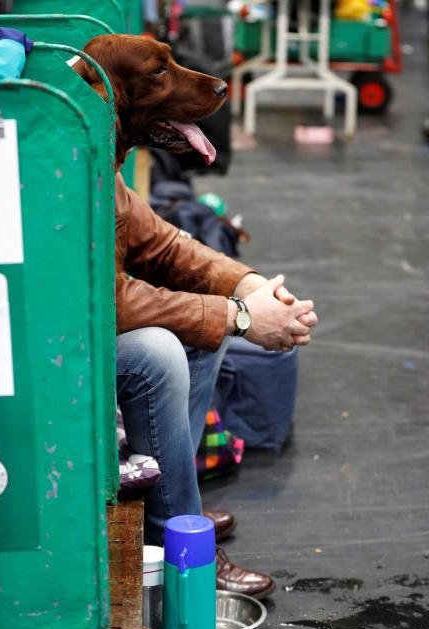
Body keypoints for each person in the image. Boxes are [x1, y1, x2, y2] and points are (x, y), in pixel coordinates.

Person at [115, 174, 318, 599]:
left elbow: (163, 245)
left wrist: (252, 291)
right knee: (158, 352)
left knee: (203, 330)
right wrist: (240, 316)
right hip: (50, 346)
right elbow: (101, 296)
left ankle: (175, 505)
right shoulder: (68, 134)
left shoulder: (100, 146)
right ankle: (175, 540)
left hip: (84, 327)